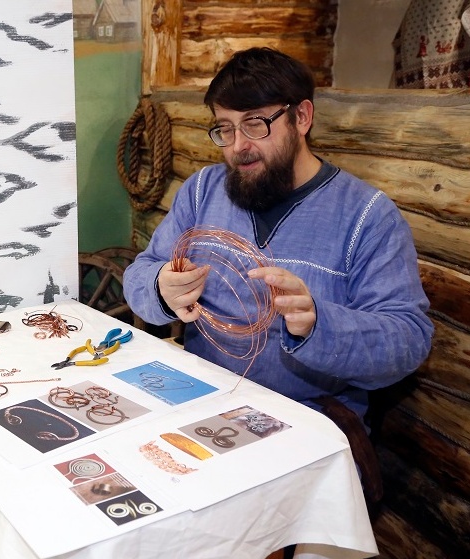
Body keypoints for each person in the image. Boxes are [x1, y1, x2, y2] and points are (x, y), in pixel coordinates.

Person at [123, 47, 433, 423]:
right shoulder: (202, 190)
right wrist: (160, 287)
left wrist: (319, 324)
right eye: (225, 128)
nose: (238, 145)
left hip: (301, 421)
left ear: (301, 117)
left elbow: (408, 340)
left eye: (255, 124)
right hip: (197, 399)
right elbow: (139, 276)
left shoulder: (367, 216)